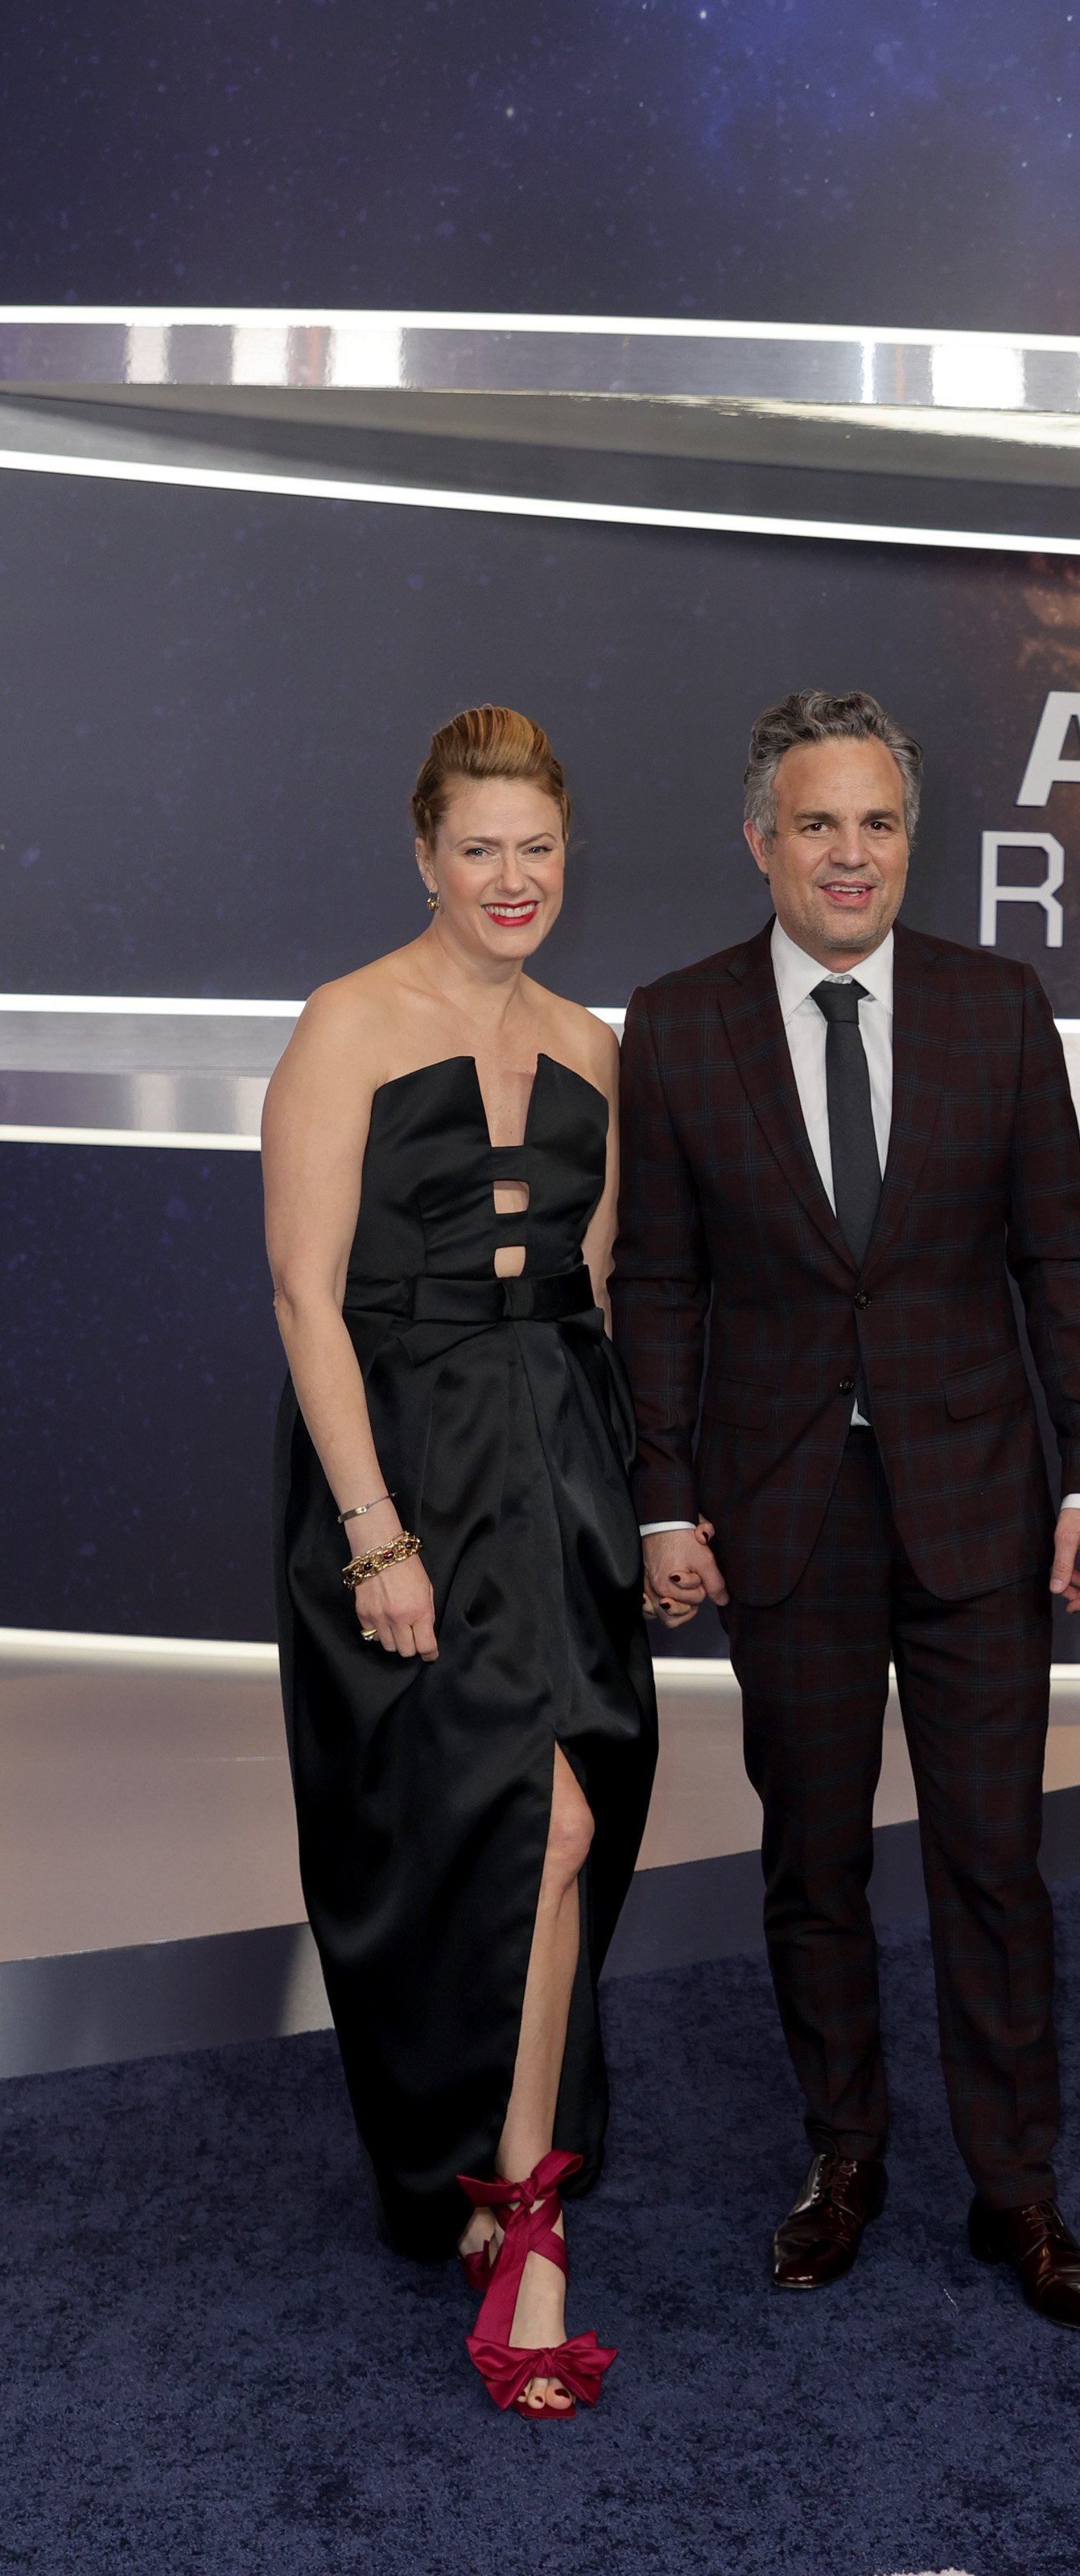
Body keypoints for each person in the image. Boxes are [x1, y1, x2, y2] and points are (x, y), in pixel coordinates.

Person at [614, 689, 1080, 2330]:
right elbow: (659, 1283)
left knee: (993, 1860)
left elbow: (1060, 1253)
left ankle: (1017, 2193)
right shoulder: (679, 1022)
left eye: (881, 823)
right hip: (782, 1514)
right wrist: (664, 1499)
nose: (851, 854)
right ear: (758, 839)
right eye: (818, 822)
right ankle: (843, 2161)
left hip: (981, 1498)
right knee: (813, 1859)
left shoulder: (997, 1007)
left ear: (912, 838)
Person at [264, 705, 665, 2418]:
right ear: (426, 854)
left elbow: (588, 1283)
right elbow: (304, 1294)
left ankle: (520, 2203)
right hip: (407, 1476)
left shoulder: (592, 1045)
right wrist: (375, 1532)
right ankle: (491, 2181)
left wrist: (641, 1502)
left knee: (572, 1814)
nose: (514, 879)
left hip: (558, 1474)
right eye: (481, 848)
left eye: (539, 849)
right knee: (453, 1835)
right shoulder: (346, 1023)